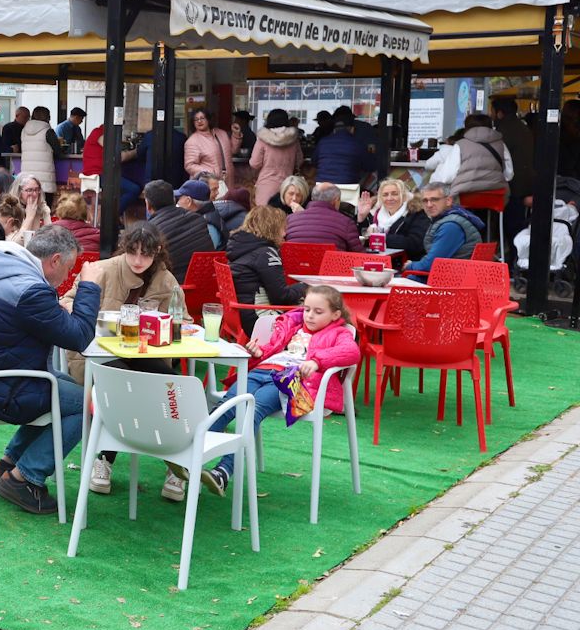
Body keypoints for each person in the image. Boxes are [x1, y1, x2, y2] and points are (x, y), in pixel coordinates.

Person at [0, 227, 101, 514]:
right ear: (55, 260)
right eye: (69, 268)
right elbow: (81, 337)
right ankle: (26, 478)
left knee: (64, 384)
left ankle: (9, 461)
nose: (69, 276)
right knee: (87, 405)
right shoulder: (31, 290)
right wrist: (89, 286)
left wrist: (54, 312)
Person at [63, 223, 183, 500]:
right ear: (125, 249)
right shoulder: (103, 269)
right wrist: (80, 311)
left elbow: (182, 321)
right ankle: (104, 458)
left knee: (173, 385)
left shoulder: (166, 281)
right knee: (120, 382)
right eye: (133, 253)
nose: (138, 260)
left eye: (145, 254)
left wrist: (166, 326)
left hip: (144, 355)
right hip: (97, 356)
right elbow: (67, 299)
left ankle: (178, 465)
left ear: (157, 252)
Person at [200, 286, 360, 493]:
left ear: (335, 314)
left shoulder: (339, 332)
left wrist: (317, 362)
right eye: (307, 309)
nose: (309, 316)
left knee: (252, 411)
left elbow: (351, 352)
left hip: (288, 381)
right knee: (228, 405)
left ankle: (223, 471)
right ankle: (194, 454)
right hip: (263, 370)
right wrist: (258, 353)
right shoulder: (292, 325)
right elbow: (273, 350)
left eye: (318, 312)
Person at [226, 206, 309, 334]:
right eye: (283, 228)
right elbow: (281, 297)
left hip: (239, 315)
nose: (284, 233)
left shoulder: (239, 248)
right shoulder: (266, 254)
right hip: (260, 319)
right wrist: (305, 287)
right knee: (318, 312)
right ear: (272, 228)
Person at [406, 182, 487, 274]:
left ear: (448, 201)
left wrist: (410, 265)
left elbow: (431, 264)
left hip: (452, 280)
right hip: (452, 275)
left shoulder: (451, 226)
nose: (429, 205)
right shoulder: (449, 220)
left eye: (434, 200)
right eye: (425, 200)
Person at [143, 180, 213, 283]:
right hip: (204, 285)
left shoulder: (150, 231)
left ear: (148, 205)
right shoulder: (198, 219)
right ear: (173, 199)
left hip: (170, 289)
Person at [433, 113, 513, 199]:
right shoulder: (501, 144)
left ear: (467, 127)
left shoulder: (460, 145)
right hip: (495, 196)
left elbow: (447, 176)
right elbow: (509, 174)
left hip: (465, 196)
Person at [356, 178, 431, 262]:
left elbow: (414, 243)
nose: (389, 198)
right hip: (373, 260)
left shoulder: (416, 213)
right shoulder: (374, 213)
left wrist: (380, 238)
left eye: (394, 194)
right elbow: (357, 239)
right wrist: (361, 218)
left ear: (403, 196)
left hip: (404, 264)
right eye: (385, 195)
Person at [494, 97, 535, 236]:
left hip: (513, 185)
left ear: (499, 113)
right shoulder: (523, 127)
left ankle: (513, 253)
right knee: (517, 222)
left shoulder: (503, 131)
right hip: (526, 181)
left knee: (512, 224)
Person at [85, 124, 144, 214]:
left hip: (104, 173)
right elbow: (120, 157)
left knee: (126, 187)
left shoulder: (102, 134)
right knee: (134, 189)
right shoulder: (98, 133)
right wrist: (137, 151)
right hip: (98, 174)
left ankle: (115, 216)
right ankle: (112, 216)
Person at [250, 109, 304, 207]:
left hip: (266, 185)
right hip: (288, 186)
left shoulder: (263, 139)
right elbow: (299, 161)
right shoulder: (293, 140)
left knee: (266, 216)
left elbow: (255, 163)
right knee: (285, 217)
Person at [285, 183, 362, 251]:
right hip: (332, 266)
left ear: (312, 198)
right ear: (336, 200)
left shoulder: (290, 219)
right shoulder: (346, 223)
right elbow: (359, 256)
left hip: (296, 266)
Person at [313, 113, 370, 185]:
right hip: (348, 187)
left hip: (322, 186)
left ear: (334, 130)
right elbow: (369, 166)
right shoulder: (357, 144)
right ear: (352, 129)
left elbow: (314, 162)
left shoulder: (322, 142)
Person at [184, 109, 236, 184]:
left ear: (208, 119)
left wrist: (236, 136)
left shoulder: (222, 134)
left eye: (202, 118)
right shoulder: (192, 141)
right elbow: (189, 165)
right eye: (196, 119)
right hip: (208, 183)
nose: (199, 121)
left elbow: (233, 150)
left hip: (228, 181)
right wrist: (210, 172)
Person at [20, 106, 61, 194]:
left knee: (29, 205)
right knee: (45, 206)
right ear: (47, 117)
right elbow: (58, 152)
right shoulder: (48, 131)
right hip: (44, 181)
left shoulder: (24, 131)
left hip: (27, 179)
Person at [176, 179, 224, 249]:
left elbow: (207, 251)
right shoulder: (204, 216)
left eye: (179, 198)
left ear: (188, 201)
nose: (177, 203)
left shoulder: (209, 226)